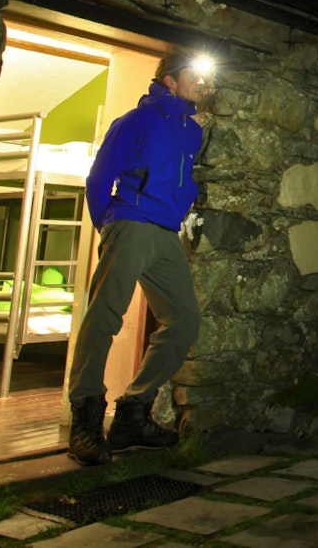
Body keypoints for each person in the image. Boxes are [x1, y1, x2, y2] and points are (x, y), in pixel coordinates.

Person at [66, 51, 213, 466]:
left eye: (206, 77)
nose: (203, 83)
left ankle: (133, 413)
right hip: (130, 222)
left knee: (184, 321)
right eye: (194, 75)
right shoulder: (134, 121)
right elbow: (99, 176)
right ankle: (86, 421)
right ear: (169, 80)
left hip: (165, 233)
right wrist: (109, 224)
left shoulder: (192, 132)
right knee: (105, 318)